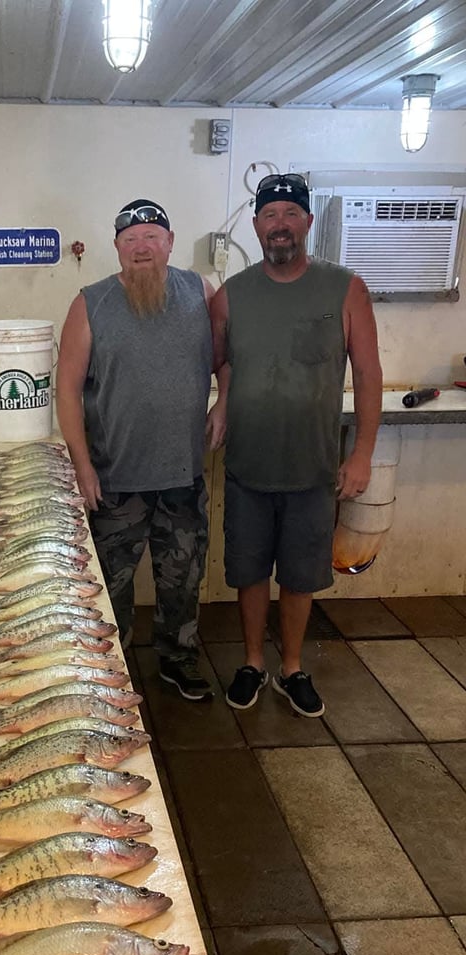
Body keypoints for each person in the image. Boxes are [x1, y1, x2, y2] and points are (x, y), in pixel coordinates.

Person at [209, 172, 382, 717]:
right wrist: (222, 399)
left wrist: (361, 454)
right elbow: (221, 361)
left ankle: (291, 668)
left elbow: (371, 374)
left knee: (302, 577)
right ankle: (253, 662)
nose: (279, 225)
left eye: (290, 214)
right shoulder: (232, 295)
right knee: (250, 571)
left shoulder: (344, 287)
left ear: (307, 223)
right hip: (248, 467)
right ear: (257, 225)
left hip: (313, 469)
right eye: (269, 215)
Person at [56, 198, 215, 701]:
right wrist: (82, 466)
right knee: (109, 589)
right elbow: (66, 388)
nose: (142, 247)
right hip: (115, 481)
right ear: (118, 249)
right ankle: (110, 672)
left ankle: (178, 659)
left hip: (182, 478)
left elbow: (228, 356)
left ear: (169, 242)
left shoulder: (200, 293)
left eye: (152, 236)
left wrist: (226, 399)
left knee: (183, 581)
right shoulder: (90, 303)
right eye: (130, 239)